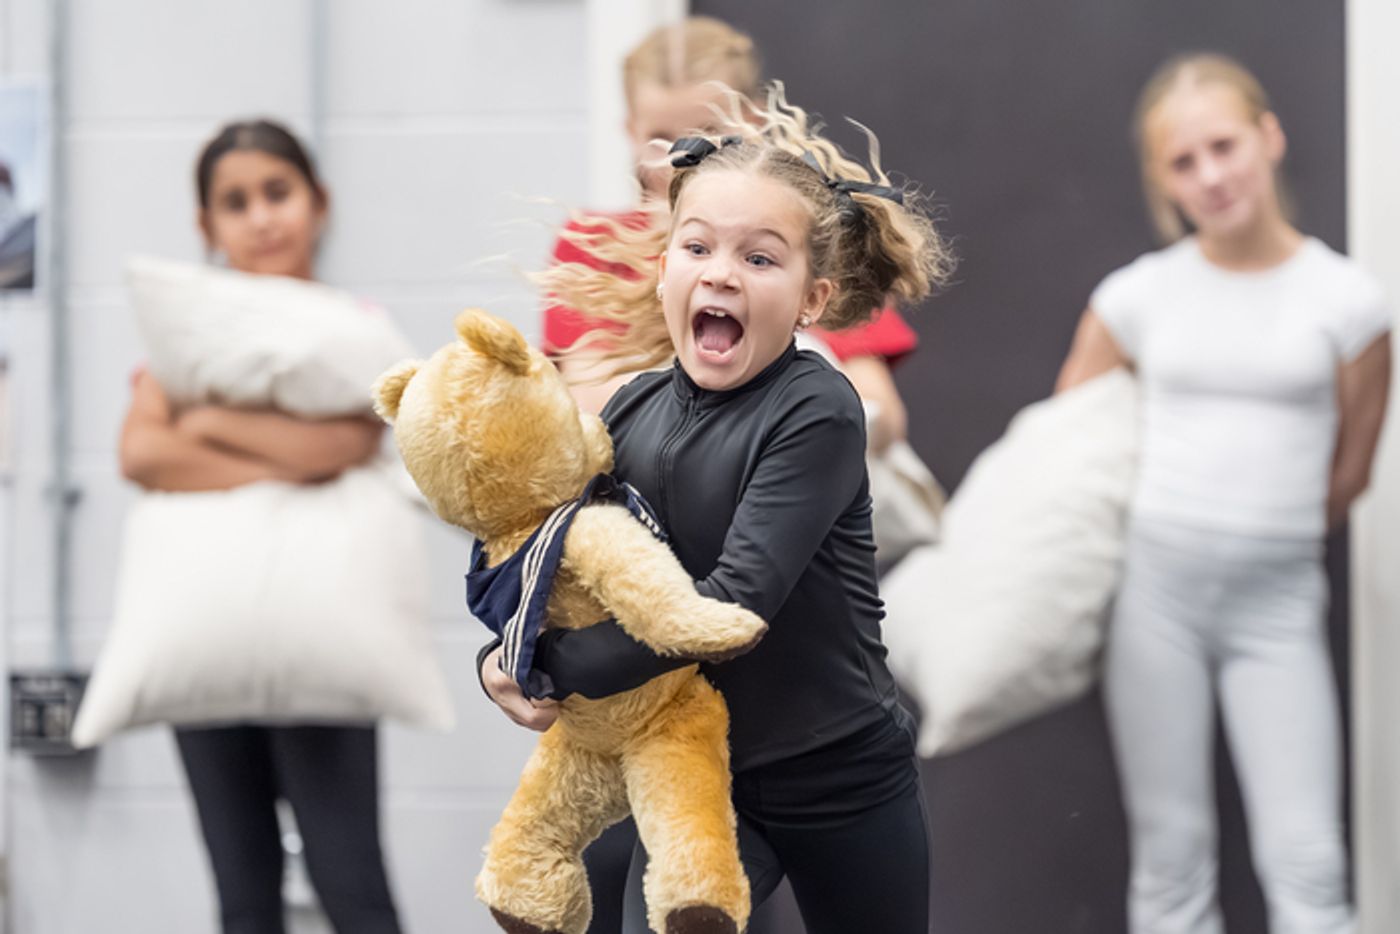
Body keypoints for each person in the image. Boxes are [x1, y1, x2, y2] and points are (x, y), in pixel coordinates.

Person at [481, 86, 951, 933]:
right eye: (697, 246)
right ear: (664, 268)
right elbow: (560, 561)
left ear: (812, 300)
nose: (722, 272)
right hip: (697, 772)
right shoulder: (630, 411)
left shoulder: (817, 408)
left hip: (841, 772)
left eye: (760, 259)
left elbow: (731, 606)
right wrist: (502, 653)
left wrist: (549, 665)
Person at [1057, 54, 1390, 934]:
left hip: (1278, 605)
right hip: (1154, 604)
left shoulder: (1349, 303)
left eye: (1224, 147)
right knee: (1171, 860)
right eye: (1183, 161)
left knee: (1309, 861)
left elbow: (1352, 471)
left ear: (1268, 138)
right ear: (1161, 179)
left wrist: (1265, 535)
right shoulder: (1136, 298)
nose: (1210, 175)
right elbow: (1065, 453)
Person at [118, 120, 404, 934]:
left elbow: (345, 443)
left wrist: (208, 423)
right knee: (242, 894)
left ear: (319, 202)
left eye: (278, 193)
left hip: (319, 627)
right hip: (207, 628)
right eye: (236, 202)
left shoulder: (351, 328)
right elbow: (141, 451)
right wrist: (287, 453)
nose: (261, 217)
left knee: (351, 882)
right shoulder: (183, 334)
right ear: (206, 225)